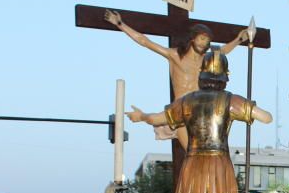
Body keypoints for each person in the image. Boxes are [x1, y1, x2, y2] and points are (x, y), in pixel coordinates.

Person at [127, 49, 272, 193]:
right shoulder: (230, 100)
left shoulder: (187, 101)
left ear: (201, 74)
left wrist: (141, 116)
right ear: (225, 76)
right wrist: (247, 108)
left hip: (194, 163)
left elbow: (155, 118)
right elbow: (266, 117)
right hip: (219, 163)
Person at [104, 11, 248, 145]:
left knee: (205, 156)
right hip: (181, 112)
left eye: (207, 41)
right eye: (202, 38)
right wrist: (120, 24)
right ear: (193, 38)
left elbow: (222, 51)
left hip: (201, 112)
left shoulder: (206, 60)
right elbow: (144, 41)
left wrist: (239, 39)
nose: (204, 43)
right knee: (192, 154)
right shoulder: (175, 56)